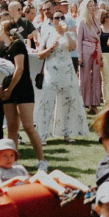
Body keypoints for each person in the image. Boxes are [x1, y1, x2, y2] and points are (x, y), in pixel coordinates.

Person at [0, 17, 48, 170]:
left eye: (0, 27)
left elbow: (19, 69)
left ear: (6, 31)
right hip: (7, 90)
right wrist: (2, 89)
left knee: (27, 126)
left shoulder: (18, 45)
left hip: (22, 88)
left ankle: (42, 160)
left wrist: (9, 89)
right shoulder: (3, 49)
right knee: (12, 126)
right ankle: (13, 160)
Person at [36, 11, 88, 141]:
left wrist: (65, 33)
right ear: (52, 20)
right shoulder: (47, 34)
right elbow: (40, 55)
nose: (59, 19)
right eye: (56, 18)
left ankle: (67, 133)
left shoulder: (69, 34)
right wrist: (50, 48)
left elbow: (72, 48)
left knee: (68, 101)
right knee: (47, 101)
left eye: (61, 17)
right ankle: (42, 135)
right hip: (51, 71)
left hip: (67, 70)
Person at [0, 138, 88, 203]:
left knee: (55, 172)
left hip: (27, 187)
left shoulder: (19, 168)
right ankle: (63, 193)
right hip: (16, 193)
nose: (9, 159)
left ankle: (87, 190)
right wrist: (15, 179)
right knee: (40, 173)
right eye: (5, 156)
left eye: (11, 155)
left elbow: (29, 180)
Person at [77, 0, 104, 111]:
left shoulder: (96, 20)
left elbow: (98, 39)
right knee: (85, 77)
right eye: (90, 5)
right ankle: (83, 103)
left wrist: (101, 54)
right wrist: (80, 56)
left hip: (96, 50)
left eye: (94, 5)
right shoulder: (82, 21)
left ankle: (94, 103)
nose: (93, 7)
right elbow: (79, 39)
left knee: (96, 77)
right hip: (86, 50)